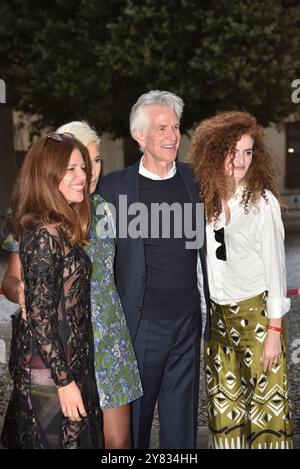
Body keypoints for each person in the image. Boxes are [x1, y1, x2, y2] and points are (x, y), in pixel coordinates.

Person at [1, 121, 142, 449]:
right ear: (50, 171)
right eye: (75, 166)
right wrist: (24, 291)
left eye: (93, 162)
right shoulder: (43, 225)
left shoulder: (96, 212)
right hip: (56, 350)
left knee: (114, 442)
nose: (88, 173)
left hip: (99, 341)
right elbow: (24, 293)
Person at [99, 90, 210, 449]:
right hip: (139, 326)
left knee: (182, 429)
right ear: (139, 136)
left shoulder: (196, 182)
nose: (172, 136)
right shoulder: (113, 188)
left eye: (175, 127)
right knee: (135, 429)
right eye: (161, 128)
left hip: (186, 323)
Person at [189, 111, 293, 449]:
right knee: (224, 414)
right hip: (218, 323)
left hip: (258, 321)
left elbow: (276, 270)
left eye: (248, 152)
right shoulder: (206, 199)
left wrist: (275, 332)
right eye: (233, 152)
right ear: (215, 151)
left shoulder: (262, 203)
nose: (241, 161)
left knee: (266, 417)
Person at [1, 133, 103, 449]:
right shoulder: (45, 233)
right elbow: (41, 320)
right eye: (71, 169)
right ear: (48, 175)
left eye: (83, 168)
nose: (83, 177)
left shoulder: (57, 227)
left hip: (65, 366)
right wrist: (65, 382)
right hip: (50, 375)